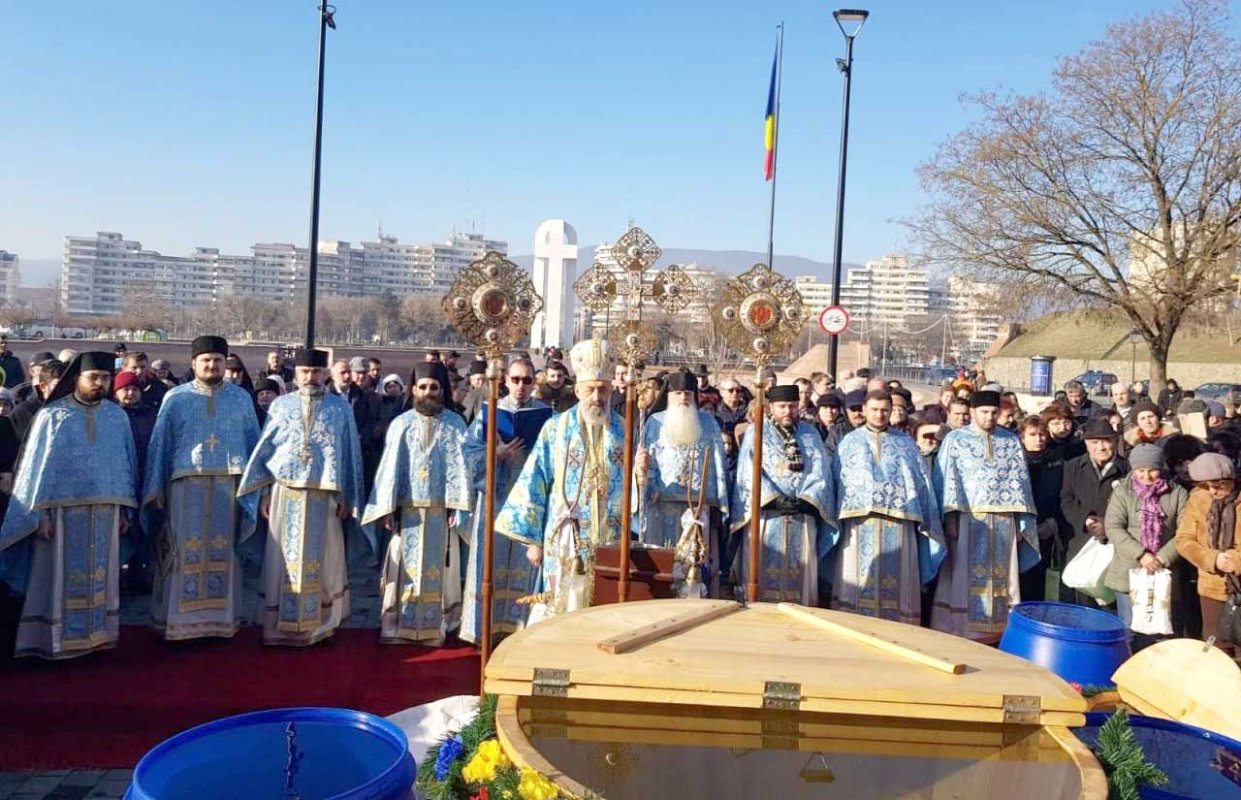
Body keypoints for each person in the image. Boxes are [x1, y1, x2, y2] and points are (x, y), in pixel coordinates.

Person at [0, 353, 138, 658]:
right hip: (61, 516)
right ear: (76, 378)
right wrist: (39, 516)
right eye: (94, 377)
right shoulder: (52, 416)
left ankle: (96, 637)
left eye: (105, 378)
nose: (100, 383)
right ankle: (55, 641)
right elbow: (35, 472)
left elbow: (125, 465)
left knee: (101, 578)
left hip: (106, 513)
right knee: (57, 579)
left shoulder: (116, 417)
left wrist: (126, 510)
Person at [237, 348, 368, 646]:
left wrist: (347, 495)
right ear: (296, 374)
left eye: (317, 372)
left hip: (325, 497)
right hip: (285, 493)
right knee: (280, 559)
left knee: (325, 561)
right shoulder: (281, 406)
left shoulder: (340, 409)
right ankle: (276, 628)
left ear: (325, 374)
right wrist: (265, 492)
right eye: (305, 372)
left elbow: (349, 454)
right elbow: (266, 450)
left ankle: (321, 625)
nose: (311, 377)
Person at [142, 336, 261, 641]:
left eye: (218, 360)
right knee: (183, 553)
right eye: (206, 360)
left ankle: (220, 623)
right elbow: (160, 444)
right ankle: (180, 624)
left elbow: (253, 443)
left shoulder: (241, 399)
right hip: (185, 487)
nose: (212, 365)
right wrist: (156, 487)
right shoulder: (176, 398)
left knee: (226, 552)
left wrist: (256, 488)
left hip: (229, 487)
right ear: (194, 363)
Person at [495, 338, 626, 618]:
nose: (597, 397)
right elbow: (535, 480)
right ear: (577, 390)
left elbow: (635, 490)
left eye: (603, 389)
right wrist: (534, 541)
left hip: (610, 539)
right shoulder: (555, 428)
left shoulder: (624, 430)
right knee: (561, 608)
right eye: (590, 389)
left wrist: (640, 473)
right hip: (565, 539)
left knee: (604, 608)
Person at [362, 364, 471, 645]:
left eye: (434, 387)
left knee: (441, 568)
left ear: (442, 390)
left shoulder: (456, 424)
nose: (428, 392)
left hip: (441, 512)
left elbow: (462, 470)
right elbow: (389, 470)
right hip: (406, 511)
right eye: (423, 387)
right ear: (413, 390)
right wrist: (388, 507)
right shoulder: (401, 423)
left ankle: (437, 624)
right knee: (402, 567)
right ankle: (397, 623)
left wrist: (457, 507)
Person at [932, 391, 1039, 642]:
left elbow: (1020, 482)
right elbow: (946, 478)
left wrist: (1021, 521)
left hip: (1004, 521)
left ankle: (1000, 629)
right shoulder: (956, 440)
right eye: (984, 412)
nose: (990, 417)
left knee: (1005, 577)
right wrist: (950, 518)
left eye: (994, 412)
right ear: (972, 412)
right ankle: (962, 629)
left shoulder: (1010, 440)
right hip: (969, 519)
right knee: (963, 575)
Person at [833, 391, 943, 625]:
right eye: (874, 409)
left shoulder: (905, 443)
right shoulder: (849, 442)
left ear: (891, 411)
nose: (880, 414)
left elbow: (921, 484)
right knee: (858, 581)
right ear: (864, 410)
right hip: (860, 523)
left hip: (899, 524)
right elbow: (839, 481)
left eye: (885, 410)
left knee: (898, 586)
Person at [460, 358, 546, 645]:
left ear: (534, 382)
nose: (521, 386)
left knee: (526, 565)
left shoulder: (548, 417)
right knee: (490, 562)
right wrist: (495, 455)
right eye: (516, 379)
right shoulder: (490, 412)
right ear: (506, 380)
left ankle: (521, 629)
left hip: (528, 504)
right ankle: (485, 628)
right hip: (494, 502)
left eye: (527, 380)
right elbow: (467, 454)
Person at [730, 384, 837, 605]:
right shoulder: (756, 431)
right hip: (767, 517)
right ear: (771, 407)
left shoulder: (810, 433)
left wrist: (807, 500)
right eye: (782, 407)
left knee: (801, 581)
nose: (788, 411)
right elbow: (748, 472)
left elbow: (821, 471)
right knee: (761, 576)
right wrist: (774, 499)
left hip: (802, 516)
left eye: (792, 406)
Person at [634, 371, 730, 596]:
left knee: (695, 569)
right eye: (677, 393)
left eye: (688, 393)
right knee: (663, 567)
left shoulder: (708, 423)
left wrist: (719, 501)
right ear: (668, 395)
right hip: (661, 507)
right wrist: (642, 471)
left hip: (697, 509)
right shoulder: (654, 422)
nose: (683, 397)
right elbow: (645, 465)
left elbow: (718, 464)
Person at [1104, 444, 1186, 641]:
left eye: (1152, 470)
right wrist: (1141, 554)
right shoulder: (1123, 492)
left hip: (1164, 571)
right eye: (1141, 470)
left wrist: (1162, 557)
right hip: (1129, 570)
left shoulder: (1177, 493)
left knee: (1163, 629)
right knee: (1129, 629)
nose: (1146, 476)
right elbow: (1113, 527)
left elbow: (1185, 531)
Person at [1175, 452, 1241, 657]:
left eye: (1219, 485)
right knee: (1215, 648)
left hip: (1238, 584)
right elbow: (1183, 540)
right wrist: (1212, 559)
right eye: (1207, 485)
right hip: (1211, 588)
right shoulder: (1198, 499)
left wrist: (1236, 561)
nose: (1213, 491)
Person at [1059, 419, 1130, 605]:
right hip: (1081, 537)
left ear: (1115, 441)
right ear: (1086, 444)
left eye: (1106, 441)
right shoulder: (1072, 467)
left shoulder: (1127, 469)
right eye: (1094, 442)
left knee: (1112, 598)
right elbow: (1066, 499)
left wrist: (1108, 524)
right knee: (1083, 596)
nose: (1101, 447)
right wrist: (1087, 519)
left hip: (1116, 540)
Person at [1019, 416, 1067, 603]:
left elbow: (1064, 496)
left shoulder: (1057, 461)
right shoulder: (1015, 461)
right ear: (1022, 437)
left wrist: (1053, 523)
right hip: (1021, 531)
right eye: (1032, 435)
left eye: (1042, 434)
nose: (1038, 439)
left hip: (1048, 530)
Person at [715, 377, 749, 480]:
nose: (735, 393)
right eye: (731, 390)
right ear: (722, 392)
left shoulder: (748, 411)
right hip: (724, 461)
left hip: (744, 460)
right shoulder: (715, 412)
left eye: (738, 390)